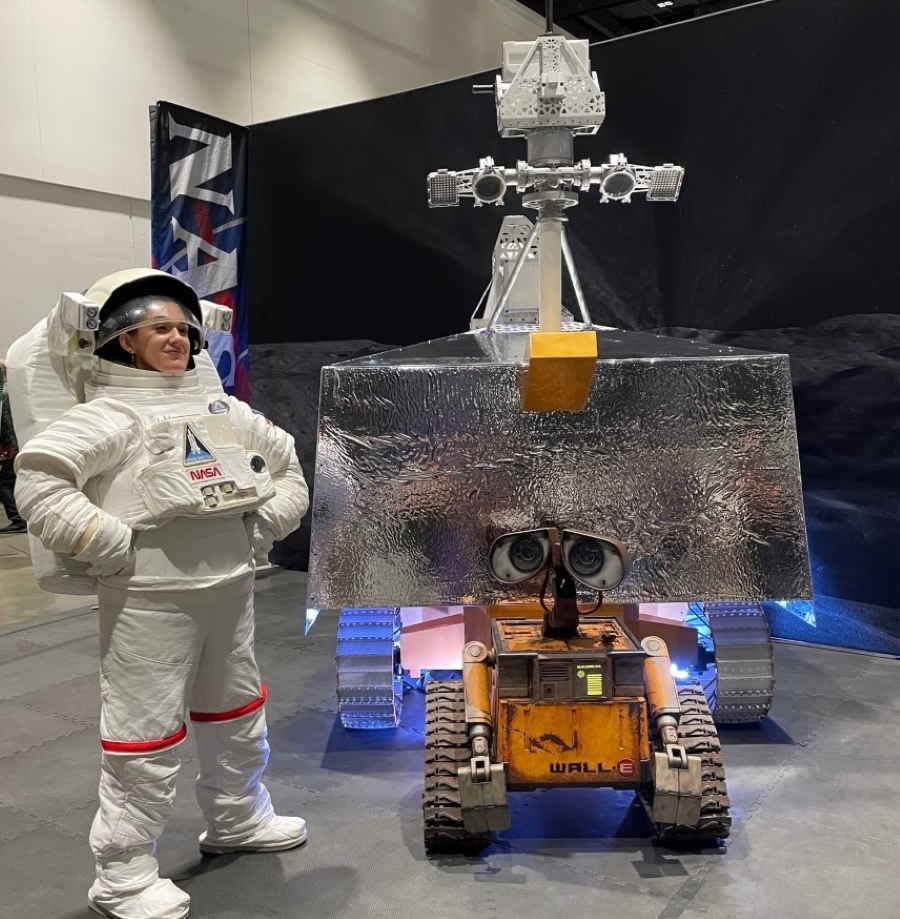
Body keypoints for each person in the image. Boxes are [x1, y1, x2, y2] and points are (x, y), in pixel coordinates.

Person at [13, 269, 309, 919]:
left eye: (183, 328)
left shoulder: (223, 411)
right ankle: (122, 870)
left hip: (229, 590)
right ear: (124, 341)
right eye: (159, 328)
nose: (176, 337)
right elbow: (39, 480)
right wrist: (108, 540)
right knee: (143, 736)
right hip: (150, 598)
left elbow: (287, 467)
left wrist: (264, 524)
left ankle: (237, 816)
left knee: (238, 711)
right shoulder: (108, 417)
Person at [0, 357, 26, 533]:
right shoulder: (17, 391)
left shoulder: (7, 394)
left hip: (12, 444)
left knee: (4, 482)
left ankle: (18, 519)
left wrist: (8, 443)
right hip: (18, 442)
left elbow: (7, 420)